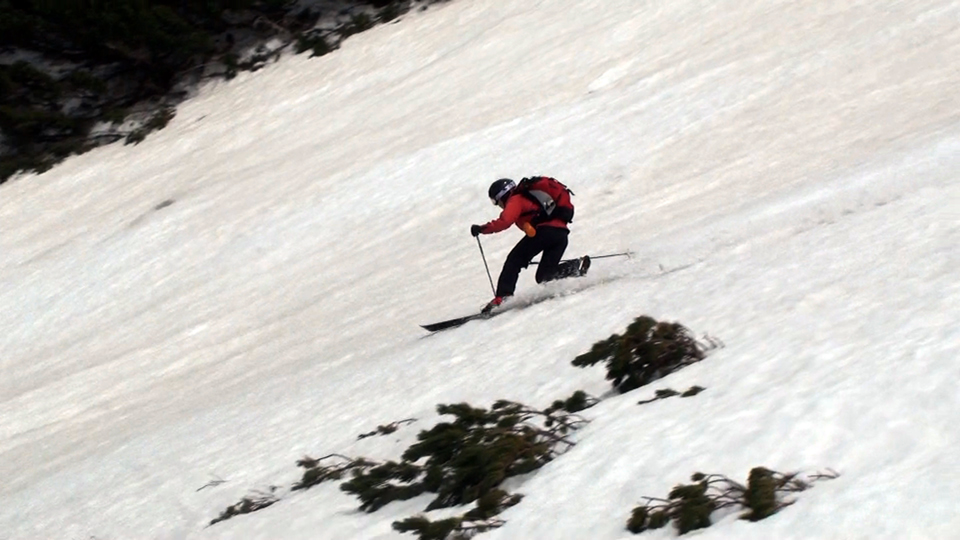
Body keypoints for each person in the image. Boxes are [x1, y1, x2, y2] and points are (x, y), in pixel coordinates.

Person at [471, 177, 590, 313]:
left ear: (502, 196)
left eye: (497, 202)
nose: (500, 206)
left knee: (514, 261)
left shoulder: (516, 199)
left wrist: (481, 229)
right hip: (561, 234)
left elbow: (505, 221)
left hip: (545, 232)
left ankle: (503, 297)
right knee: (544, 276)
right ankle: (575, 267)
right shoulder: (531, 198)